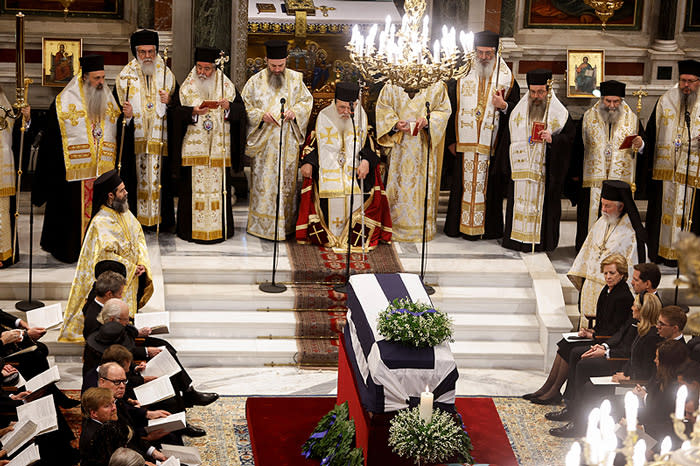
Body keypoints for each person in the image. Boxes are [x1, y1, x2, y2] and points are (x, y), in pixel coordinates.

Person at [32, 54, 126, 263]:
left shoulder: (109, 101)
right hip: (73, 178)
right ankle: (70, 250)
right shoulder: (63, 104)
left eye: (103, 77)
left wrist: (127, 117)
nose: (101, 83)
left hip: (101, 175)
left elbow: (118, 130)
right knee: (70, 218)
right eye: (96, 78)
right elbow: (52, 145)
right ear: (84, 78)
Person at [546, 292, 662, 437]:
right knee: (584, 372)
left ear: (642, 309)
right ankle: (576, 417)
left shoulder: (650, 336)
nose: (632, 308)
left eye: (634, 305)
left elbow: (644, 367)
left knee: (589, 385)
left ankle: (580, 425)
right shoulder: (642, 330)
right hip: (626, 372)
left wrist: (627, 376)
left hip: (633, 380)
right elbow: (633, 358)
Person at [523, 253, 633, 405]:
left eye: (612, 273)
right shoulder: (607, 290)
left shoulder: (623, 296)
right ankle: (547, 387)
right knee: (564, 343)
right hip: (599, 336)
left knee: (572, 349)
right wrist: (590, 332)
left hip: (606, 342)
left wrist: (594, 336)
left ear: (622, 274)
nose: (608, 277)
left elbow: (615, 330)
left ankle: (556, 391)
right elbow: (603, 322)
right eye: (606, 273)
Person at [59, 170, 152, 342]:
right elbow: (104, 256)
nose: (126, 193)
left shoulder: (125, 212)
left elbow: (139, 236)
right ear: (111, 195)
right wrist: (132, 268)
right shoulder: (101, 222)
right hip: (119, 279)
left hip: (133, 275)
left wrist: (142, 263)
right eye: (122, 190)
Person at [296, 82, 390, 250]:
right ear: (335, 103)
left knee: (363, 190)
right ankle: (331, 236)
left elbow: (370, 147)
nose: (347, 112)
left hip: (355, 174)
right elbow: (313, 146)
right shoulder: (324, 117)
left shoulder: (361, 118)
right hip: (328, 174)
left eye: (351, 107)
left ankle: (350, 237)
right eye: (342, 107)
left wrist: (366, 161)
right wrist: (308, 162)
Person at [444, 30, 519, 240]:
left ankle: (489, 229)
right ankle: (457, 227)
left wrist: (504, 106)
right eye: (480, 52)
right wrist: (451, 140)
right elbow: (449, 110)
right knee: (462, 187)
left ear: (496, 51)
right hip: (464, 146)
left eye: (488, 53)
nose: (484, 57)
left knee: (490, 190)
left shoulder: (508, 80)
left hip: (491, 147)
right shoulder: (460, 78)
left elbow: (518, 113)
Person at [172, 46, 247, 243]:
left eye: (207, 69)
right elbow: (175, 115)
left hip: (218, 152)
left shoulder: (226, 86)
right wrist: (192, 113)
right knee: (190, 193)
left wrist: (228, 107)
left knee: (218, 193)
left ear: (214, 68)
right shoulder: (186, 87)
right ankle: (188, 231)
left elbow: (241, 112)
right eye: (199, 67)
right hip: (193, 151)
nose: (202, 73)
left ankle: (219, 230)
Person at [84, 299, 217, 409]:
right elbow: (121, 382)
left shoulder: (113, 337)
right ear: (113, 319)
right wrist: (142, 378)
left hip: (129, 374)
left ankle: (187, 396)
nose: (128, 322)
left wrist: (136, 368)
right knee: (166, 383)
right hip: (127, 386)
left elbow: (125, 359)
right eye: (126, 319)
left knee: (167, 363)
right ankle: (180, 414)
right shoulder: (104, 350)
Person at [242, 40, 312, 240]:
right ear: (266, 61)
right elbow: (245, 106)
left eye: (281, 65)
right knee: (264, 183)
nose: (277, 69)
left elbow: (306, 102)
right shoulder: (254, 81)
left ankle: (286, 226)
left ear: (286, 61)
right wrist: (260, 116)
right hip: (265, 143)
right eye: (273, 65)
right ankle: (261, 226)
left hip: (287, 141)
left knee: (286, 184)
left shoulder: (296, 80)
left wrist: (295, 111)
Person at [502, 68, 575, 252]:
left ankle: (542, 242)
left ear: (548, 90)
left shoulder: (560, 114)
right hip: (521, 176)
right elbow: (507, 140)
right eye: (533, 92)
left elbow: (570, 141)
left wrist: (554, 140)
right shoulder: (518, 113)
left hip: (545, 175)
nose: (536, 96)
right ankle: (516, 241)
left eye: (540, 92)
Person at [115, 29, 177, 231]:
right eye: (143, 52)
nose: (148, 56)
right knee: (135, 180)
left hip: (161, 141)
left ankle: (162, 221)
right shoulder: (125, 77)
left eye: (151, 51)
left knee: (162, 182)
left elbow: (177, 110)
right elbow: (116, 114)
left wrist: (170, 102)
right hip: (137, 143)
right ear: (135, 52)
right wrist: (128, 115)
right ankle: (137, 222)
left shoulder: (167, 75)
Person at [375, 80, 451, 242]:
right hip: (399, 150)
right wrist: (394, 124)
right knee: (398, 186)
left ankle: (420, 229)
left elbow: (443, 111)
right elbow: (383, 108)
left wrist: (428, 121)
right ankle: (393, 227)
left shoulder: (436, 85)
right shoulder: (391, 85)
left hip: (423, 148)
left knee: (421, 188)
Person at [576, 80, 646, 249]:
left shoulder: (633, 120)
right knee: (590, 216)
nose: (612, 106)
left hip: (620, 182)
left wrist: (641, 145)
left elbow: (643, 149)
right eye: (608, 101)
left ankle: (617, 249)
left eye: (616, 101)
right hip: (593, 181)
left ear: (621, 100)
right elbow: (577, 149)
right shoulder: (588, 118)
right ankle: (588, 249)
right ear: (602, 100)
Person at [645, 59, 700, 266]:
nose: (686, 86)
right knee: (662, 215)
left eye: (690, 81)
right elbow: (652, 133)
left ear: (699, 82)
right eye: (683, 80)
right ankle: (660, 253)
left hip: (694, 175)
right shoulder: (665, 100)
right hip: (667, 173)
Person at [568, 180, 646, 323]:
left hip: (612, 293)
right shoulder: (600, 223)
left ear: (621, 206)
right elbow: (586, 250)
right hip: (590, 287)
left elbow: (632, 266)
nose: (602, 209)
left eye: (607, 206)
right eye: (602, 204)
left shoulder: (631, 233)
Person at [97, 362, 170, 462]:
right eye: (117, 382)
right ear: (102, 382)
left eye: (124, 381)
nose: (122, 386)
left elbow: (129, 425)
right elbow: (121, 446)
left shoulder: (116, 399)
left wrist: (153, 451)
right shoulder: (103, 410)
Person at [0, 85, 33, 268]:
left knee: (3, 212)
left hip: (3, 165)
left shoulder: (4, 103)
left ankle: (4, 255)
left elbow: (16, 135)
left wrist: (25, 119)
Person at [80, 387, 130, 466]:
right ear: (94, 413)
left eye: (113, 402)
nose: (114, 408)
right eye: (107, 406)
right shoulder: (100, 436)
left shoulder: (104, 424)